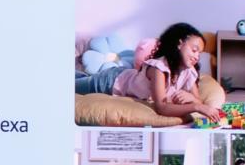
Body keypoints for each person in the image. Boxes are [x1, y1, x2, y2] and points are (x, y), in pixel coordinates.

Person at [75, 23, 220, 122]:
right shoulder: (159, 68)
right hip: (110, 81)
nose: (196, 56)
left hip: (126, 74)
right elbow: (162, 108)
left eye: (199, 53)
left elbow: (199, 101)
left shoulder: (189, 71)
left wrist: (193, 98)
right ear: (179, 44)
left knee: (81, 77)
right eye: (194, 50)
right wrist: (196, 106)